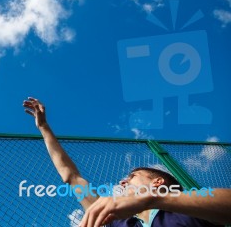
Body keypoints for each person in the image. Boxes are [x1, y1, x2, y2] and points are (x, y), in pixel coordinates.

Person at [23, 97, 230, 227]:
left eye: (132, 177)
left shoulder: (188, 209)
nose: (122, 182)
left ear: (157, 183)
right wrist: (44, 128)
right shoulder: (117, 220)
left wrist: (152, 199)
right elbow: (71, 176)